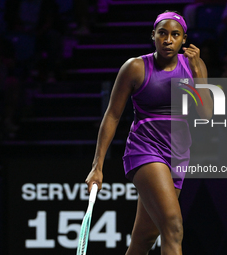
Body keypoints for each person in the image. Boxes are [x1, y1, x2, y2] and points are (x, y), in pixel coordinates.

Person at [84, 10, 213, 254]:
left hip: (178, 155)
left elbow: (206, 114)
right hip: (145, 151)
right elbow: (112, 115)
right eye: (162, 33)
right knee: (173, 227)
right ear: (153, 35)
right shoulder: (135, 67)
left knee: (145, 237)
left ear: (184, 39)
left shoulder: (195, 66)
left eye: (175, 35)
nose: (168, 40)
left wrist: (198, 75)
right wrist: (97, 166)